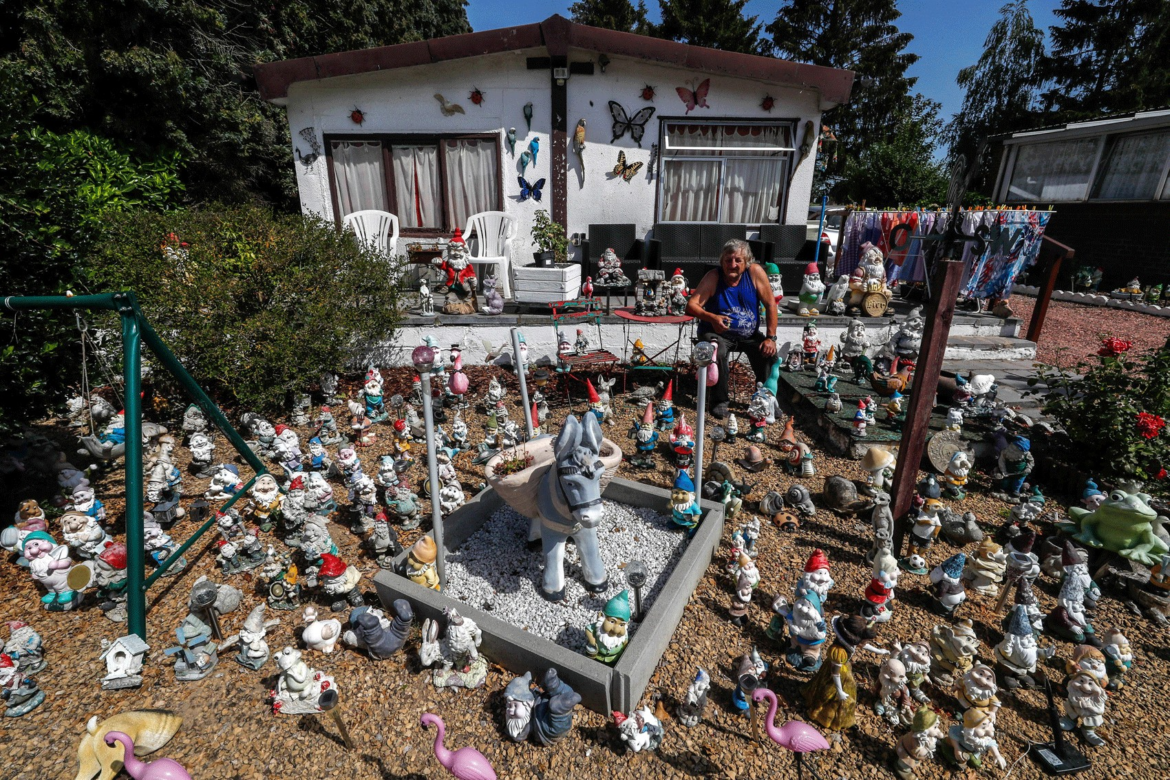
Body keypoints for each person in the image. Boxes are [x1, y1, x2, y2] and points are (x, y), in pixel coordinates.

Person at [685, 239, 778, 419]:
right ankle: (719, 402)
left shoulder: (755, 273)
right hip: (717, 332)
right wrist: (712, 318)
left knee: (769, 353)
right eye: (728, 260)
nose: (732, 265)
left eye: (738, 260)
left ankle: (766, 400)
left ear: (747, 262)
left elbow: (770, 304)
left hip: (748, 334)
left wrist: (771, 337)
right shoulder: (714, 277)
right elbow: (691, 306)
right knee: (717, 352)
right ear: (722, 261)